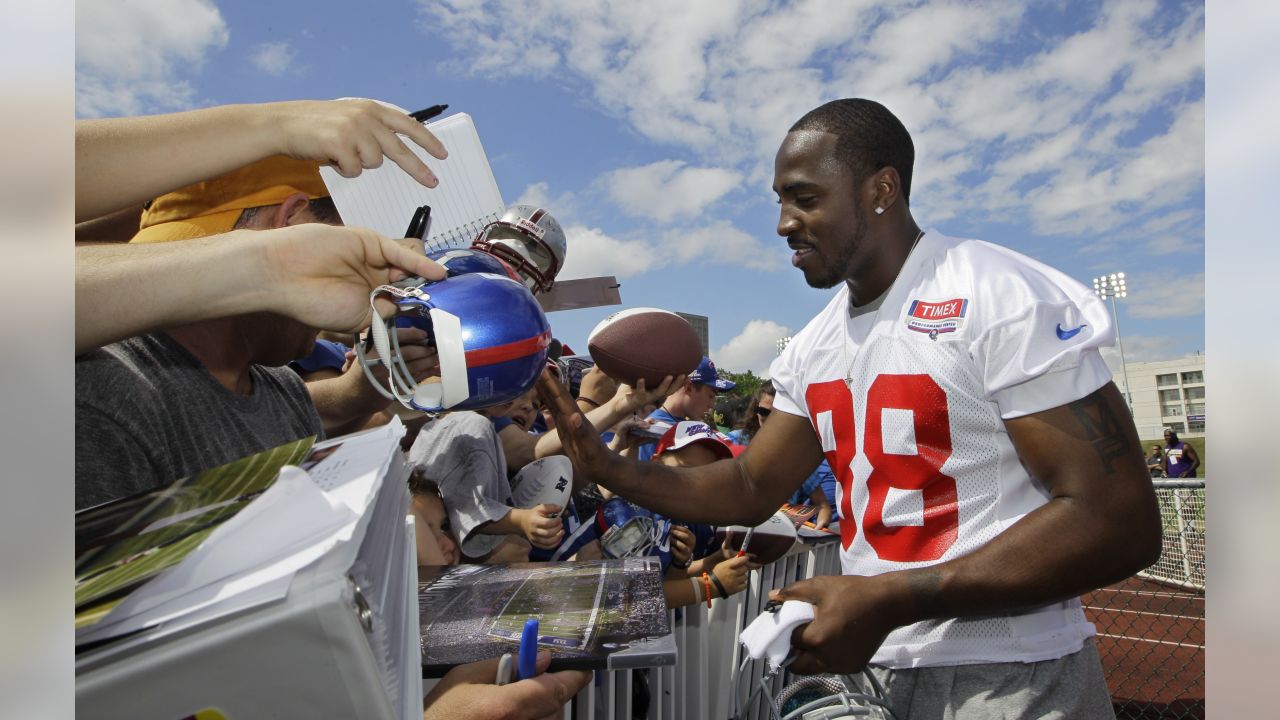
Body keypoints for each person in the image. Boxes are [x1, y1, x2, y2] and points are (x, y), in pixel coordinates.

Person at [537, 98, 1161, 719]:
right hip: (876, 664)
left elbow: (1116, 520)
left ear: (881, 189)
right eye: (779, 201)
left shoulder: (998, 295)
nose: (783, 223)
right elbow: (753, 483)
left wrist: (890, 598)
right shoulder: (815, 344)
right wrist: (614, 469)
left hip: (1008, 674)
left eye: (804, 198)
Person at [75, 156, 437, 508]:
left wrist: (364, 388)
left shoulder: (277, 387)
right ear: (290, 221)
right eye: (345, 239)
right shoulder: (103, 395)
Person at [633, 356, 735, 462]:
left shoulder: (682, 425)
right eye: (711, 395)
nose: (713, 405)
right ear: (689, 387)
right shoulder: (653, 430)